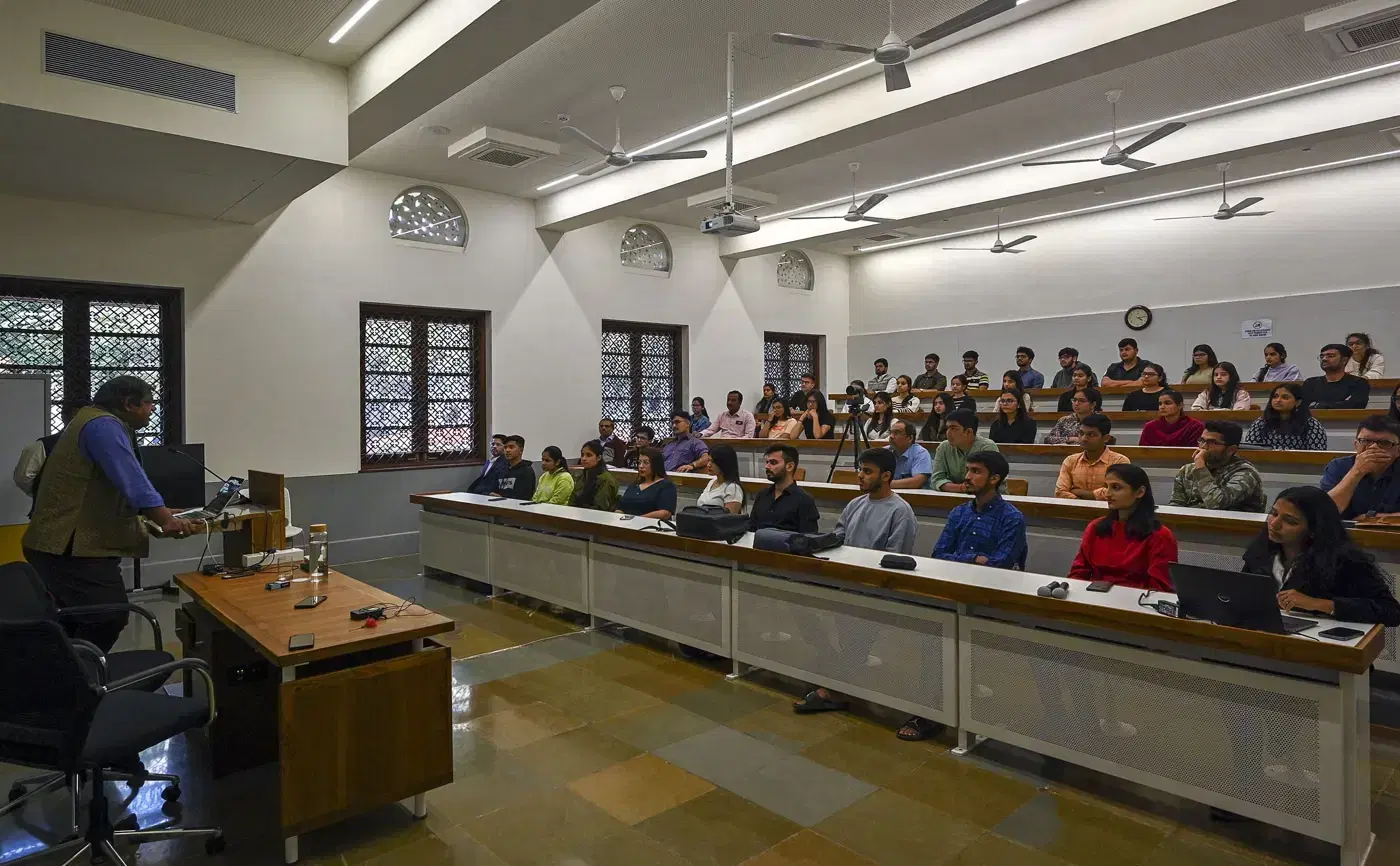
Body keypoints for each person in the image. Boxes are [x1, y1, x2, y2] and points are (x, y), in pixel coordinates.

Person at [22, 376, 198, 651]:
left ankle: (66, 678)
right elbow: (131, 478)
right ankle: (80, 679)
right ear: (128, 403)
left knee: (72, 620)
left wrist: (156, 515)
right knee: (108, 616)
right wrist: (165, 520)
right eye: (149, 403)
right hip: (68, 550)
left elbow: (102, 493)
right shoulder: (103, 425)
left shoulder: (91, 420)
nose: (152, 409)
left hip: (57, 546)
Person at [791, 448, 917, 723]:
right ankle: (843, 685)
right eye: (860, 469)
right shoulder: (855, 504)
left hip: (875, 591)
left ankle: (835, 690)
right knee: (845, 639)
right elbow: (839, 537)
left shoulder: (900, 511)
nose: (860, 475)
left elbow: (895, 558)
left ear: (886, 476)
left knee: (855, 643)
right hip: (847, 584)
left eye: (867, 471)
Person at [1242, 487, 1400, 626]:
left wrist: (1319, 604)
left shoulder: (1345, 560)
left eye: (1290, 521)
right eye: (1273, 513)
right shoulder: (1261, 551)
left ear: (1313, 530)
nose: (1274, 523)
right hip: (1271, 640)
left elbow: (1390, 611)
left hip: (1329, 650)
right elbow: (1242, 593)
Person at [1068, 464, 1178, 591]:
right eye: (1106, 487)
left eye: (1116, 487)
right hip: (1093, 598)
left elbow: (1160, 589)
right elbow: (1078, 573)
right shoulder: (1095, 527)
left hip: (1136, 604)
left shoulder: (1161, 536)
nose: (1107, 494)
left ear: (1140, 492)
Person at [933, 451, 1028, 569]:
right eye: (967, 470)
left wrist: (959, 559)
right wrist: (974, 559)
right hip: (956, 579)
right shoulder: (958, 512)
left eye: (976, 471)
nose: (967, 477)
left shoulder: (1012, 518)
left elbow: (1001, 564)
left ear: (994, 479)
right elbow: (938, 555)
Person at [1169, 421, 1265, 512]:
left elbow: (1215, 505)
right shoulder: (1186, 470)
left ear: (1231, 450)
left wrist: (1200, 467)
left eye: (1213, 443)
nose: (1204, 447)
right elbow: (1176, 506)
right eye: (1202, 440)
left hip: (1230, 526)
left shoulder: (1246, 473)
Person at [1319, 415, 1400, 519]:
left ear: (1398, 450)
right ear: (1356, 445)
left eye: (1385, 443)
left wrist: (1372, 518)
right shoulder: (1338, 466)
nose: (1373, 447)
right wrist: (1357, 471)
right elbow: (1325, 511)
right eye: (1366, 441)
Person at [1054, 414, 1129, 500]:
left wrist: (1077, 492)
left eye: (1091, 435)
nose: (1084, 439)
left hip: (1109, 512)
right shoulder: (1070, 461)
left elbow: (1119, 495)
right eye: (1081, 433)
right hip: (1075, 512)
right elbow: (1060, 493)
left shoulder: (1119, 461)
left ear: (1106, 438)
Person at [750, 444, 820, 533]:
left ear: (790, 466)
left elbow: (808, 538)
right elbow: (751, 529)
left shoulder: (804, 500)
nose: (767, 466)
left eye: (773, 463)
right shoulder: (762, 495)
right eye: (767, 462)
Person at [931, 410, 1000, 493]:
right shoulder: (944, 447)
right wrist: (961, 488)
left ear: (968, 432)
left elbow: (989, 482)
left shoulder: (987, 447)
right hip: (956, 496)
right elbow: (936, 480)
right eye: (947, 428)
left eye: (953, 428)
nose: (948, 433)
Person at [1244, 383, 1328, 450]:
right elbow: (1249, 448)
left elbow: (1317, 452)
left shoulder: (1311, 424)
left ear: (1298, 402)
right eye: (1275, 396)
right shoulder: (1261, 422)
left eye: (1285, 397)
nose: (1278, 400)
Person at [1301, 343, 1370, 409]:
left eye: (1331, 356)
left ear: (1344, 360)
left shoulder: (1358, 383)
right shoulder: (1311, 383)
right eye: (1322, 356)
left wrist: (1323, 406)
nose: (1324, 359)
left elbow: (1356, 405)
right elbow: (1303, 406)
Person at [618, 448, 677, 519]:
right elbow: (621, 506)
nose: (641, 466)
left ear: (656, 465)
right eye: (639, 462)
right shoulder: (635, 485)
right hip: (626, 525)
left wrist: (637, 520)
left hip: (651, 527)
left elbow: (665, 513)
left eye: (645, 463)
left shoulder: (666, 486)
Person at [1139, 390, 1205, 448]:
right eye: (1160, 404)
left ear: (1180, 405)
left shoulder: (1195, 426)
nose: (1162, 407)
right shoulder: (1150, 426)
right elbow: (1142, 451)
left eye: (1167, 403)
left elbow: (1194, 452)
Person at [697, 443, 745, 514]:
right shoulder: (711, 482)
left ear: (723, 463)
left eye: (713, 462)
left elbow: (730, 520)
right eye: (708, 461)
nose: (708, 465)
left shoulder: (732, 488)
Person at [572, 441, 620, 512]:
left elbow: (600, 508)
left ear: (599, 458)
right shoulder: (582, 476)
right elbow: (572, 501)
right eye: (582, 455)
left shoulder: (606, 480)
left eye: (589, 455)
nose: (584, 458)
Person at [888, 419, 934, 489]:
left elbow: (916, 482)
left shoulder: (920, 453)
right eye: (890, 432)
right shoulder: (884, 452)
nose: (891, 436)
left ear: (910, 438)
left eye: (896, 433)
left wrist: (883, 485)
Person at [493, 435, 537, 500]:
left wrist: (502, 498)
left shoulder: (526, 471)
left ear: (521, 450)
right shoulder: (501, 469)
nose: (507, 450)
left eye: (511, 447)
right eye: (505, 447)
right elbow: (494, 488)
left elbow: (523, 496)